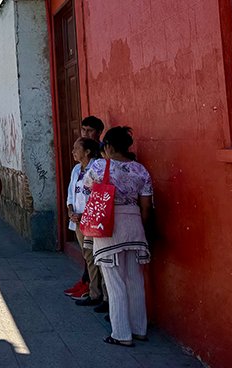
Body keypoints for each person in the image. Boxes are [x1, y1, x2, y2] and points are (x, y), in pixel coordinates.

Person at [83, 127, 153, 347]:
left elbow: (87, 190)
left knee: (114, 282)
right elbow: (146, 207)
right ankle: (139, 328)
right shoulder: (141, 170)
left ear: (109, 147)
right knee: (134, 279)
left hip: (109, 226)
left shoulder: (98, 166)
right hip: (134, 225)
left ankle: (121, 333)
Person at [65, 115, 106, 299]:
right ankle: (90, 287)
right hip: (78, 219)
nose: (86, 133)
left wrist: (86, 215)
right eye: (84, 130)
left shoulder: (100, 164)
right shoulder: (76, 169)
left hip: (93, 219)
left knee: (97, 257)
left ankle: (96, 292)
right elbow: (71, 194)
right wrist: (71, 211)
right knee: (88, 255)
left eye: (90, 131)